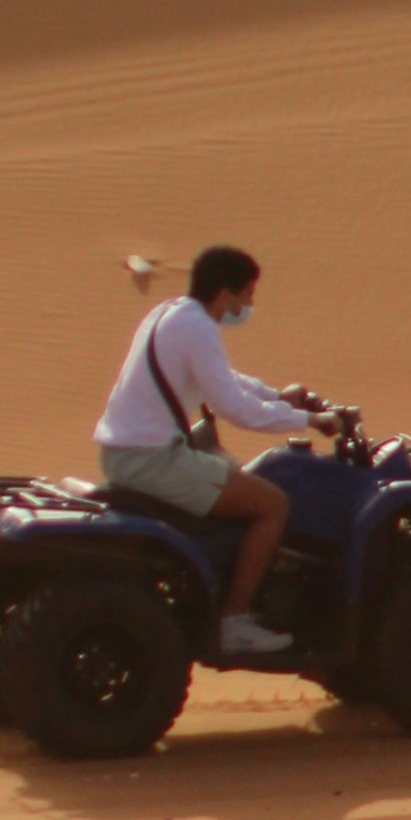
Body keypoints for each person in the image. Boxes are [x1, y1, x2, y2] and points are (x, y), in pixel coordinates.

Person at [95, 246, 325, 661]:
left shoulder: (170, 314)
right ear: (225, 295)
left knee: (236, 474)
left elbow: (222, 379)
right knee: (272, 504)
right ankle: (234, 623)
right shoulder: (198, 328)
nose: (249, 305)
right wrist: (308, 422)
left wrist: (277, 396)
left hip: (126, 452)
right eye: (247, 295)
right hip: (151, 459)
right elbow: (233, 407)